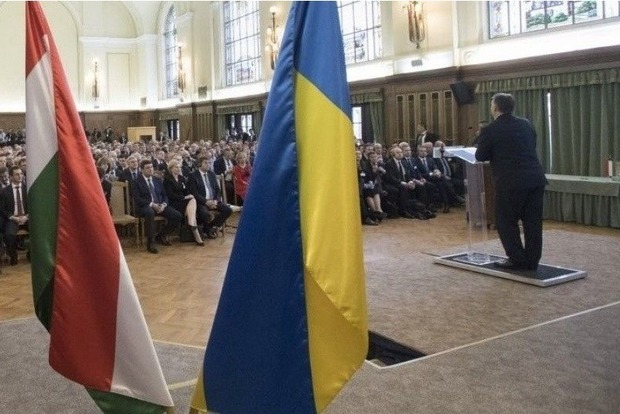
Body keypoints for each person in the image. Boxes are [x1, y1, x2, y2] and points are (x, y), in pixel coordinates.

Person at [475, 93, 547, 271]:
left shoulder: (490, 129)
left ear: (495, 107)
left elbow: (480, 155)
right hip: (535, 179)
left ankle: (516, 259)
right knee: (533, 222)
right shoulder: (526, 124)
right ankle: (532, 261)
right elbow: (532, 144)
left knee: (505, 221)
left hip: (510, 182)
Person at [132, 159, 183, 254]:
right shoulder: (136, 181)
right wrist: (152, 204)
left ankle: (161, 235)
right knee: (150, 212)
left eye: (151, 167)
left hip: (160, 206)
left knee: (177, 216)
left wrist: (164, 204)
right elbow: (138, 199)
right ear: (142, 170)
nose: (150, 169)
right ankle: (150, 242)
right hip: (145, 206)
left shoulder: (157, 180)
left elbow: (165, 195)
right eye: (147, 168)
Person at [164, 160, 204, 246]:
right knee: (192, 202)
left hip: (183, 202)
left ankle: (191, 223)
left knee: (192, 199)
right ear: (171, 169)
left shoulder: (181, 178)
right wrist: (184, 197)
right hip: (174, 203)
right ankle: (194, 229)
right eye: (176, 167)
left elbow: (186, 191)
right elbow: (170, 195)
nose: (179, 169)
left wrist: (188, 195)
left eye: (179, 167)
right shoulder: (167, 179)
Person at [0, 166, 28, 265]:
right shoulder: (4, 191)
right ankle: (13, 256)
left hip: (27, 217)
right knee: (9, 234)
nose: (20, 176)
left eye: (21, 174)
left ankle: (31, 254)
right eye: (17, 174)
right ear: (11, 177)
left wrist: (27, 216)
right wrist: (13, 217)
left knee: (38, 230)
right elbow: (2, 209)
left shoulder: (28, 188)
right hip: (12, 219)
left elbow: (34, 205)